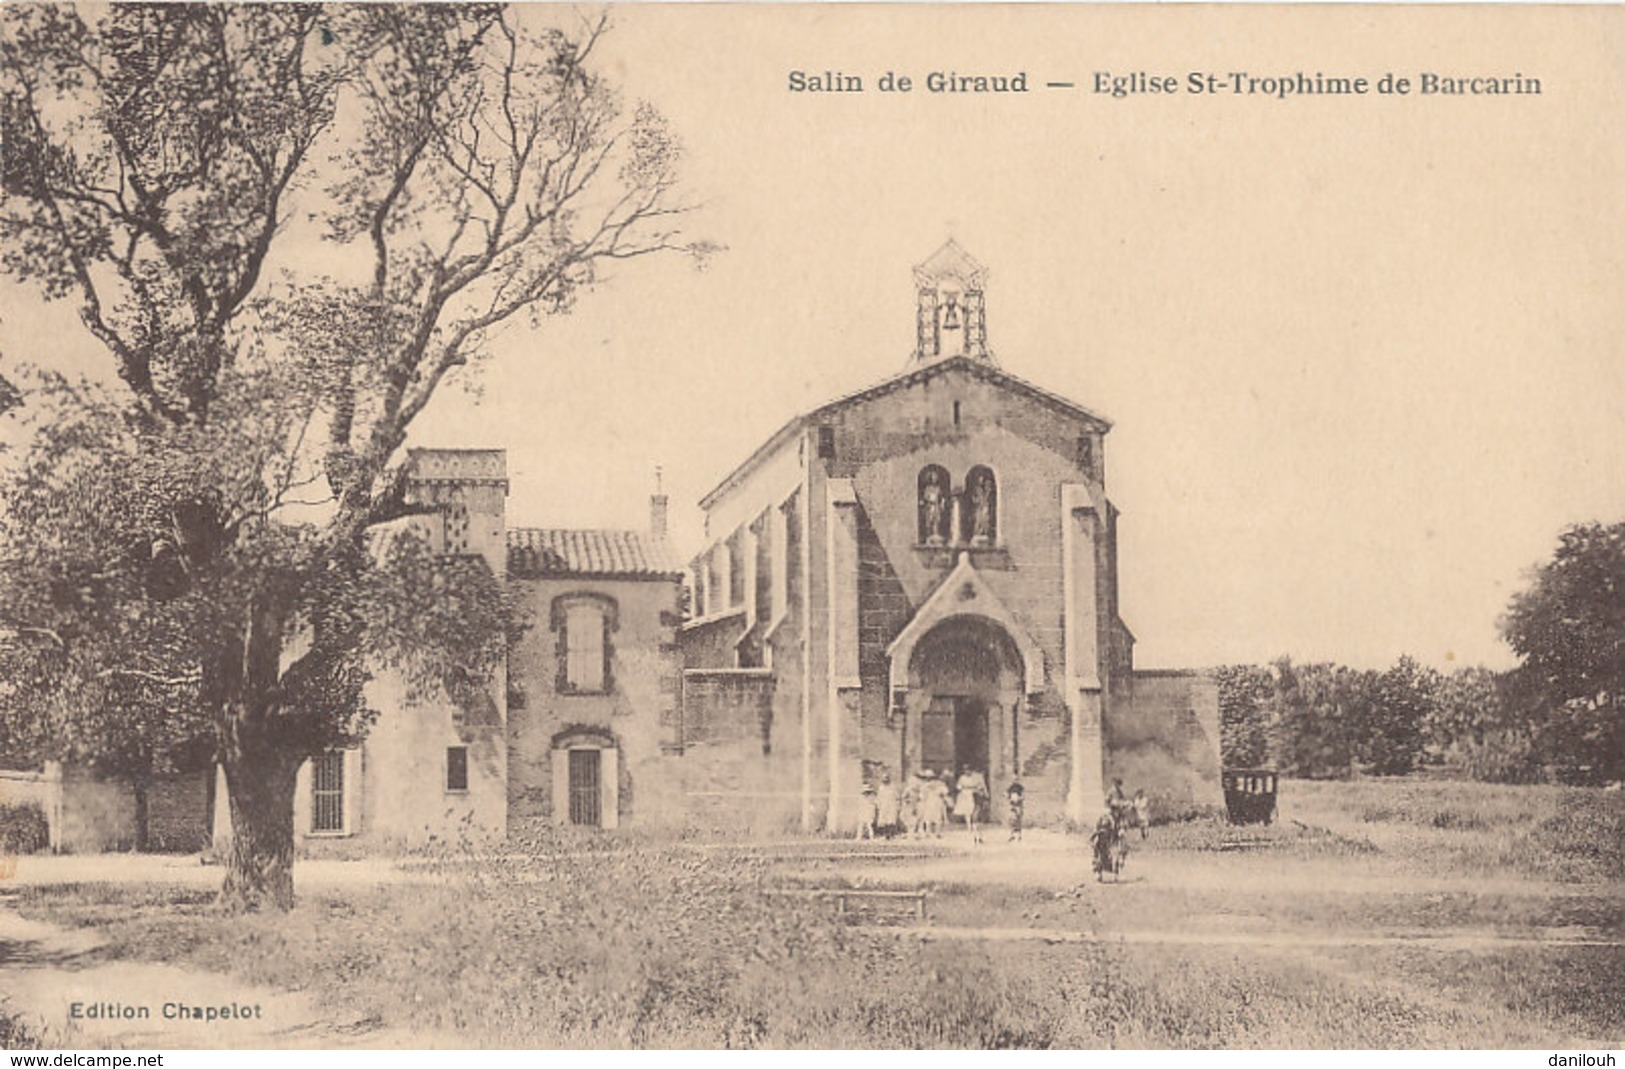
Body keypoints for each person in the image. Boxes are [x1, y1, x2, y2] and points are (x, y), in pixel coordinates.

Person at [953, 767, 986, 844]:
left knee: (972, 810)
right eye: (966, 770)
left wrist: (976, 789)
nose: (967, 772)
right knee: (966, 811)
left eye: (969, 770)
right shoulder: (962, 778)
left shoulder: (975, 778)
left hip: (972, 794)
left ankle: (974, 823)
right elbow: (958, 786)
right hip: (964, 795)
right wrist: (963, 788)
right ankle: (969, 826)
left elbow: (980, 786)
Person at [875, 771, 901, 839]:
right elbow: (879, 797)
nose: (885, 780)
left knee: (891, 820)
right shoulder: (881, 788)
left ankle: (891, 834)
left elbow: (897, 797)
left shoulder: (893, 787)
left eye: (887, 778)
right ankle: (885, 834)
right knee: (883, 821)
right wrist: (878, 805)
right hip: (883, 805)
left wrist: (897, 806)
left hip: (891, 805)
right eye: (884, 778)